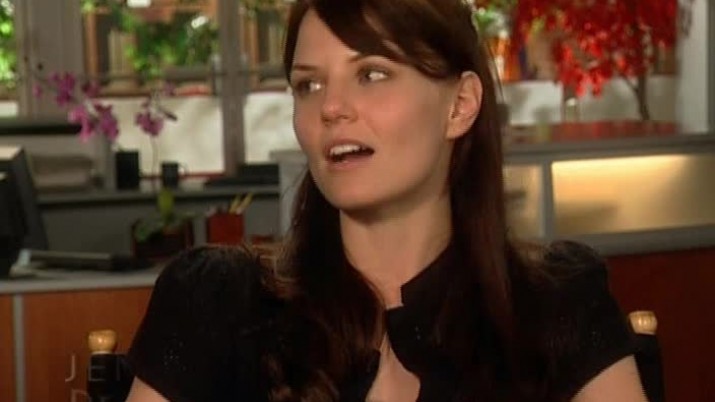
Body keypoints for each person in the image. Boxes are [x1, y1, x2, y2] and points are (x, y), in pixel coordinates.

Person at [125, 0, 648, 401]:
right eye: (308, 85)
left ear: (460, 105)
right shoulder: (216, 304)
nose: (331, 107)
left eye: (371, 74)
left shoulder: (555, 305)